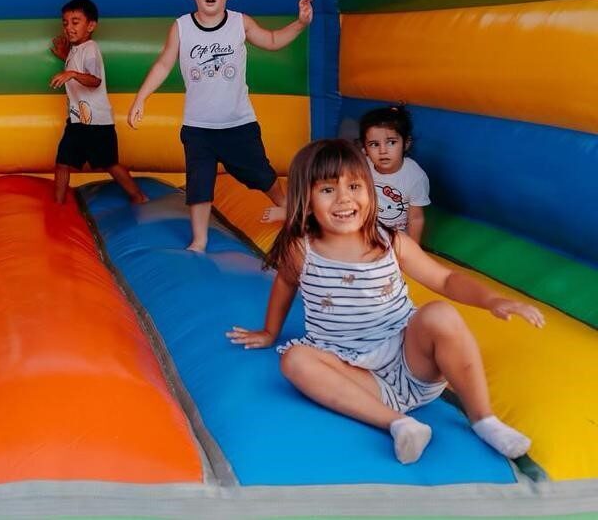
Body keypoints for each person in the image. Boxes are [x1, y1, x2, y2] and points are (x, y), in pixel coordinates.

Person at [227, 139, 543, 465]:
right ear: (305, 202)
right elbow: (284, 285)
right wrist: (269, 331)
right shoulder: (301, 249)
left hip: (411, 363)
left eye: (354, 186)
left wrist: (493, 300)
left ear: (370, 191)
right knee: (294, 360)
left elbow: (445, 280)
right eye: (327, 190)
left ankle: (484, 420)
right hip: (356, 377)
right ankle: (400, 425)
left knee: (440, 314)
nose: (344, 199)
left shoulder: (391, 242)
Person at [128, 0, 311, 251]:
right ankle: (199, 240)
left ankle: (290, 209)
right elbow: (163, 64)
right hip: (198, 128)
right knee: (199, 186)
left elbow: (274, 40)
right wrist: (141, 98)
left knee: (261, 174)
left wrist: (300, 23)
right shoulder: (182, 27)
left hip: (238, 124)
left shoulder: (240, 23)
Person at [49, 0, 147, 205]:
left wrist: (71, 73)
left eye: (76, 22)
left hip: (97, 123)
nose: (69, 27)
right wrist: (65, 55)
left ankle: (138, 196)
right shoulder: (78, 49)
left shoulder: (91, 49)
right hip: (78, 121)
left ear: (91, 25)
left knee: (110, 163)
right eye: (65, 23)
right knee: (63, 162)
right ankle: (57, 204)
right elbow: (77, 62)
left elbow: (94, 80)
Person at [360, 105, 429, 243]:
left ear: (406, 143)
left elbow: (415, 218)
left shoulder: (415, 176)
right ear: (364, 148)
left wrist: (414, 251)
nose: (383, 151)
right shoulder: (362, 166)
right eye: (374, 144)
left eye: (391, 142)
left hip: (396, 237)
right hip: (366, 231)